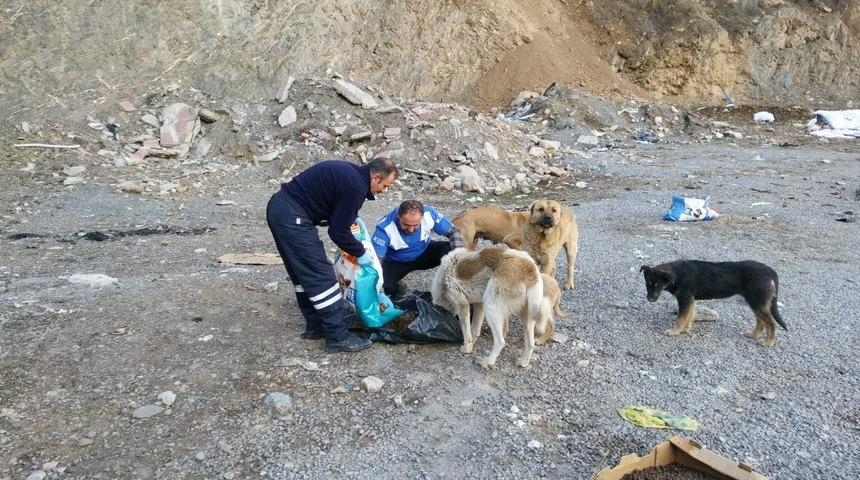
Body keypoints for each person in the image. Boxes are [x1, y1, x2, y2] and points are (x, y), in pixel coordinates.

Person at [266, 158, 398, 353]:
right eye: (385, 186)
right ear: (376, 177)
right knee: (321, 276)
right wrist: (360, 253)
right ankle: (337, 337)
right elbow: (337, 232)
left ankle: (316, 326)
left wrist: (351, 218)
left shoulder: (351, 174)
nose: (384, 191)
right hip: (293, 217)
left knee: (302, 274)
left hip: (281, 208)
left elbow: (331, 203)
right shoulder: (356, 186)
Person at [371, 200, 463, 297]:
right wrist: (379, 291)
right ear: (398, 216)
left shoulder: (430, 214)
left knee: (451, 251)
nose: (411, 229)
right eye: (406, 225)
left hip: (423, 253)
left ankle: (451, 287)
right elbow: (375, 263)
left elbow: (454, 232)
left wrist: (459, 262)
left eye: (415, 225)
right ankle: (398, 286)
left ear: (422, 218)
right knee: (381, 285)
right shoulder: (384, 228)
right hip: (396, 263)